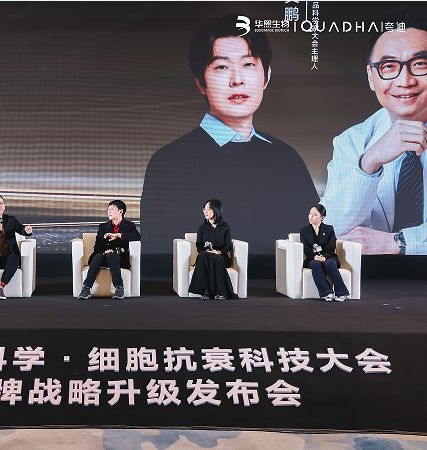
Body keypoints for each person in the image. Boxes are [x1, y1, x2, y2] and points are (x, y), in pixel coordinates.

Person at [140, 14, 318, 257]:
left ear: (266, 76)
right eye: (222, 67)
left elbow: (312, 239)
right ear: (201, 82)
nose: (237, 80)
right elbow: (159, 254)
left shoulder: (287, 158)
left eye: (248, 65)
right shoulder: (168, 162)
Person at [321, 12, 427, 255]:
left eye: (420, 64)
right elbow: (332, 228)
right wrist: (370, 161)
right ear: (371, 77)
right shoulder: (352, 141)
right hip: (377, 278)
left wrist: (397, 242)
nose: (405, 80)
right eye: (388, 67)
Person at [77, 200, 141, 300]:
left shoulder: (130, 225)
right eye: (108, 209)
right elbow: (97, 247)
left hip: (119, 259)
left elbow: (136, 236)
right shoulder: (103, 227)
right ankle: (86, 288)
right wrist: (105, 252)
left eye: (112, 209)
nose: (109, 212)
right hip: (102, 258)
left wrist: (118, 235)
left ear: (120, 211)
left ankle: (119, 288)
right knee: (98, 255)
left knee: (111, 256)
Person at [188, 199, 237, 300]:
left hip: (221, 256)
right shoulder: (201, 228)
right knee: (202, 255)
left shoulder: (225, 227)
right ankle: (206, 291)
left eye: (209, 209)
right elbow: (199, 246)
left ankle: (220, 292)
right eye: (204, 209)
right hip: (206, 255)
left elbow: (228, 246)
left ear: (216, 210)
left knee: (211, 257)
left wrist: (218, 252)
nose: (205, 212)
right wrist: (207, 251)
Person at [300, 204, 350, 302]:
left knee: (329, 263)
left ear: (322, 217)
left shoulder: (329, 229)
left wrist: (324, 257)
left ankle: (342, 293)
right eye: (310, 214)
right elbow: (305, 247)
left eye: (315, 214)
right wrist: (315, 257)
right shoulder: (304, 231)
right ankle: (327, 292)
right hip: (312, 258)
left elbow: (331, 246)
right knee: (314, 264)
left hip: (329, 256)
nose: (311, 216)